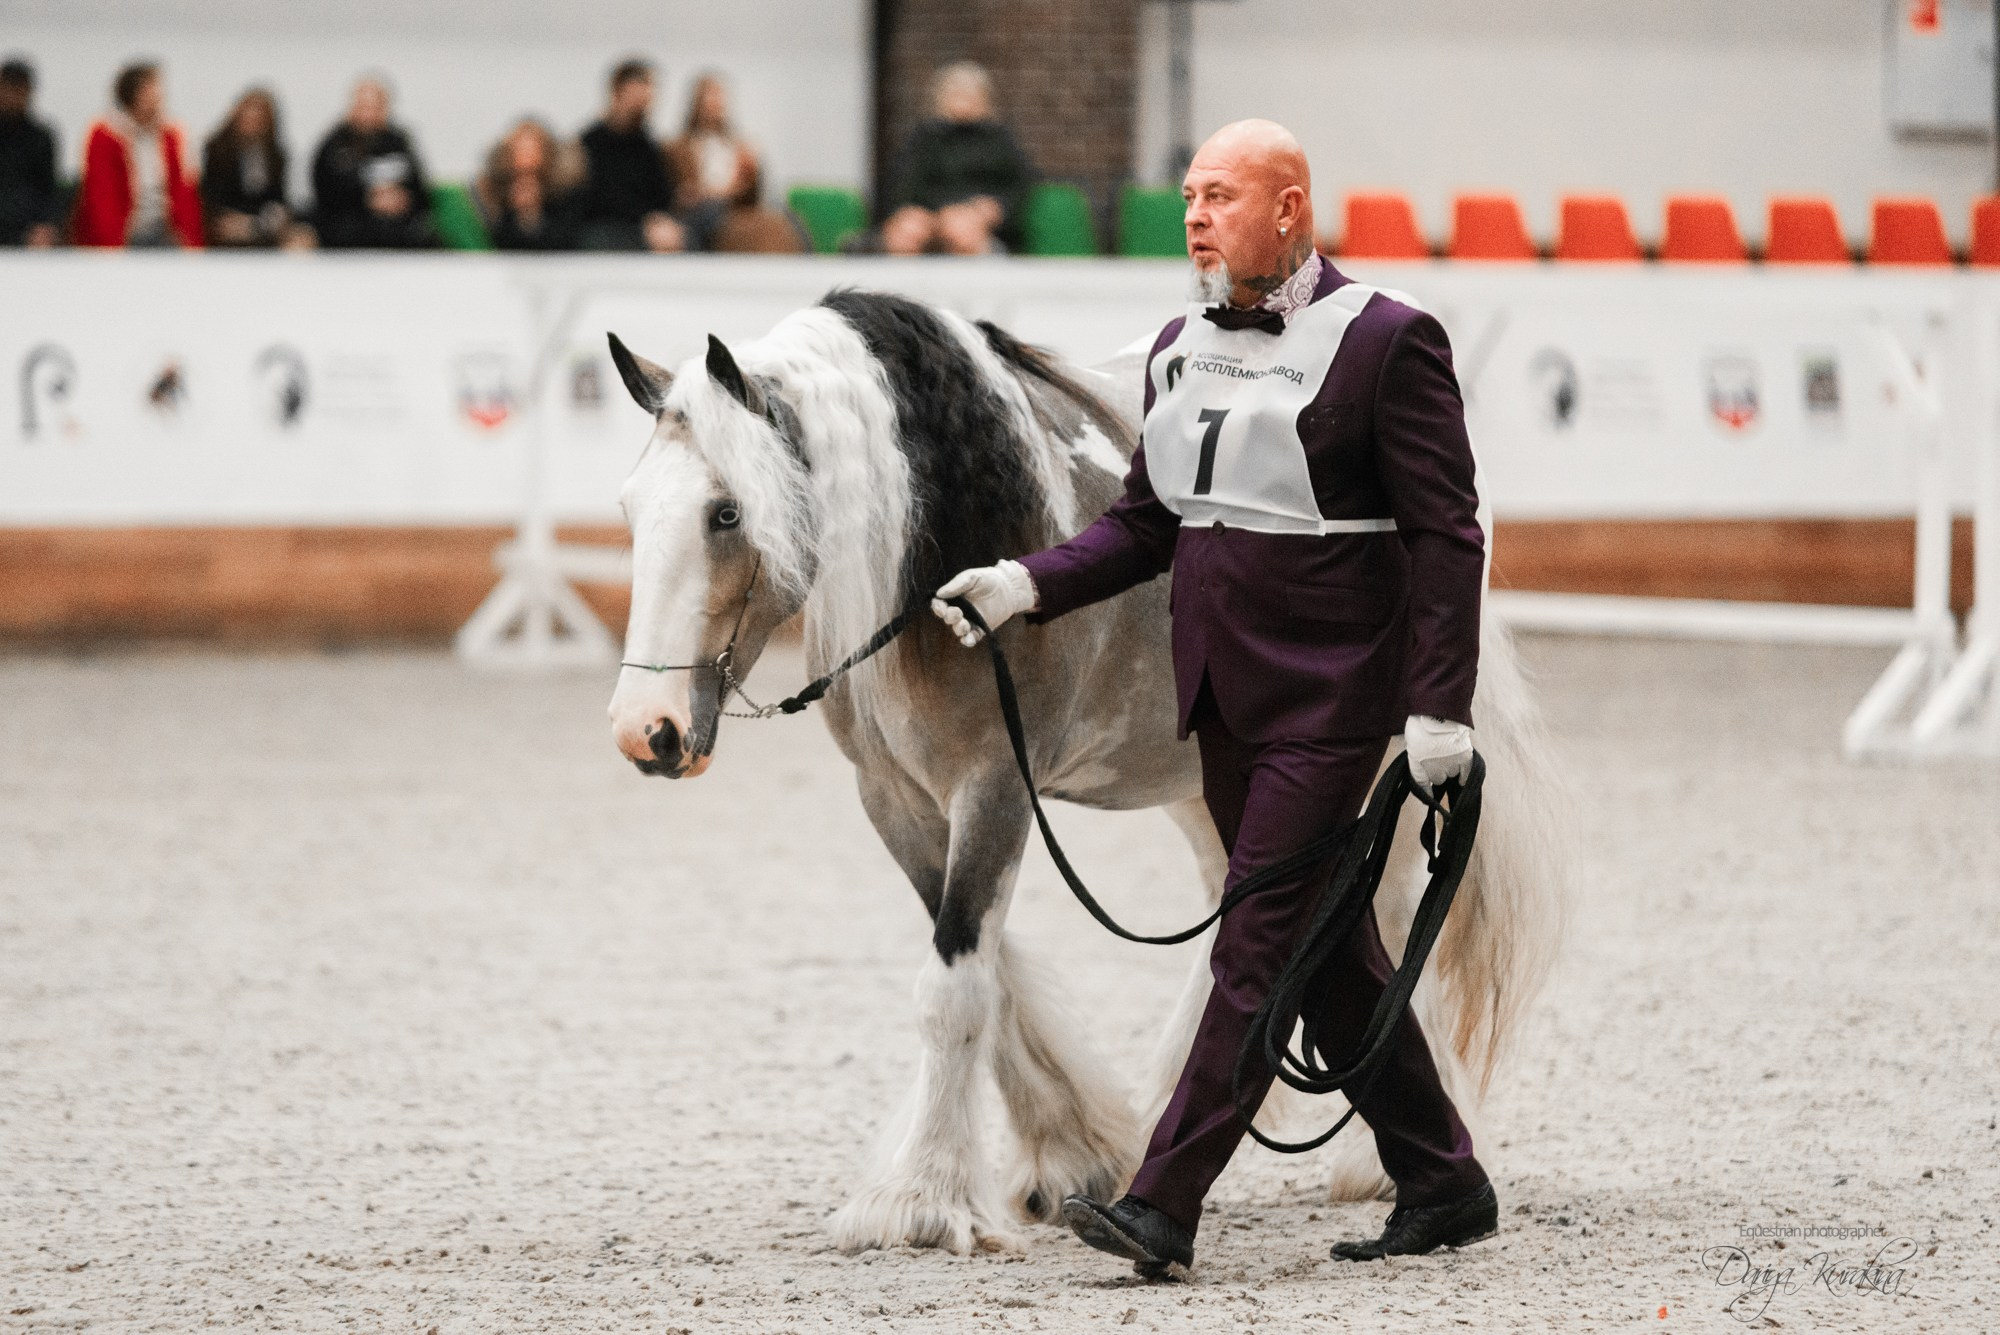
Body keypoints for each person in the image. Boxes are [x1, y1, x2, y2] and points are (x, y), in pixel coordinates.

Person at [930, 120, 1497, 1274]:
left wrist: (1438, 709)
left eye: (1220, 195)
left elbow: (1447, 537)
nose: (1193, 215)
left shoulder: (1388, 342)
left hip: (1332, 696)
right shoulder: (1179, 347)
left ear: (1288, 209)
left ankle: (1162, 1201)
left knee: (1253, 946)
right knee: (1321, 946)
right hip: (1220, 696)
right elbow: (1147, 525)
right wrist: (1023, 583)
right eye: (1188, 195)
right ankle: (1443, 1180)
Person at [880, 61, 1032, 255]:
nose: (962, 101)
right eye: (955, 94)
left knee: (962, 231)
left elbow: (1021, 186)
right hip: (930, 217)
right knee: (905, 234)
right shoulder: (925, 138)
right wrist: (917, 213)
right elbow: (902, 184)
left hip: (978, 221)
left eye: (968, 94)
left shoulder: (998, 141)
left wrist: (992, 209)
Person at [663, 72, 804, 254]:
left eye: (719, 98)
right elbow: (682, 192)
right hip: (706, 209)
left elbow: (751, 190)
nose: (716, 105)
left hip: (738, 204)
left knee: (786, 216)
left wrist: (751, 173)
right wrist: (719, 192)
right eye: (710, 98)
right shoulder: (678, 147)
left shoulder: (737, 145)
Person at [73, 61, 203, 248]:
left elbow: (183, 188)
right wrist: (110, 243)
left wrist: (190, 240)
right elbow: (102, 193)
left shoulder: (171, 135)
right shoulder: (107, 134)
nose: (159, 96)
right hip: (125, 230)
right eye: (152, 90)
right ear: (135, 94)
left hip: (163, 229)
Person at [310, 76, 437, 250]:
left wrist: (404, 199)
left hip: (397, 230)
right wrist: (367, 200)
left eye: (375, 107)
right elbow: (324, 191)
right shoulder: (335, 145)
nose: (368, 115)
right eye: (364, 107)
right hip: (348, 230)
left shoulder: (399, 142)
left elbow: (420, 188)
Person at [576, 59, 683, 253]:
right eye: (642, 88)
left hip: (645, 226)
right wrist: (645, 219)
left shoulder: (648, 144)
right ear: (619, 91)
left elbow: (661, 194)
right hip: (605, 226)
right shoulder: (591, 143)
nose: (648, 97)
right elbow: (598, 196)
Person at [201, 88, 312, 249]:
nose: (252, 123)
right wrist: (235, 220)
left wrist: (274, 216)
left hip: (262, 220)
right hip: (228, 219)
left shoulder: (275, 155)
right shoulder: (218, 150)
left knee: (301, 237)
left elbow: (278, 197)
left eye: (258, 119)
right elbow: (211, 195)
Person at [474, 117, 583, 251]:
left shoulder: (564, 191)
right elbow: (494, 240)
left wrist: (534, 215)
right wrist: (520, 215)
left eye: (532, 149)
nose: (526, 157)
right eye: (520, 149)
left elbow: (566, 239)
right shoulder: (495, 189)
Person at [0, 57, 60, 247]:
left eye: (19, 89)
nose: (13, 96)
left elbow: (48, 189)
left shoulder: (41, 137)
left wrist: (46, 224)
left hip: (27, 231)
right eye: (9, 88)